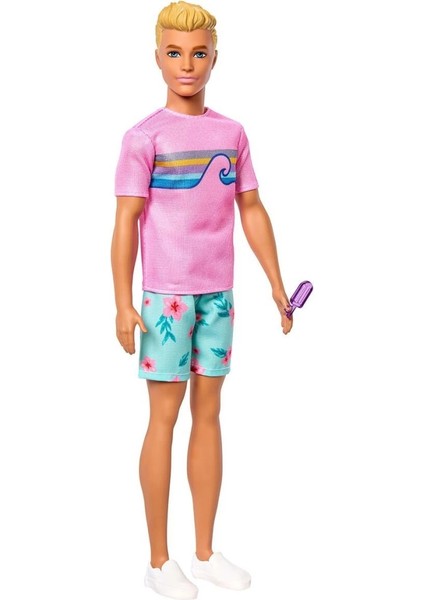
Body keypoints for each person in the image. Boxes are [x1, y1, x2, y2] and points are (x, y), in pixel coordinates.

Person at [111, 2, 293, 598]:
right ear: (157, 58)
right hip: (165, 300)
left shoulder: (231, 134)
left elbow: (252, 208)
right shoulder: (144, 137)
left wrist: (275, 282)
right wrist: (122, 301)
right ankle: (158, 559)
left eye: (197, 53)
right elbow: (126, 220)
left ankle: (206, 552)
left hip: (218, 296)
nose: (186, 64)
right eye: (174, 52)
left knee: (209, 415)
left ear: (215, 57)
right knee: (163, 419)